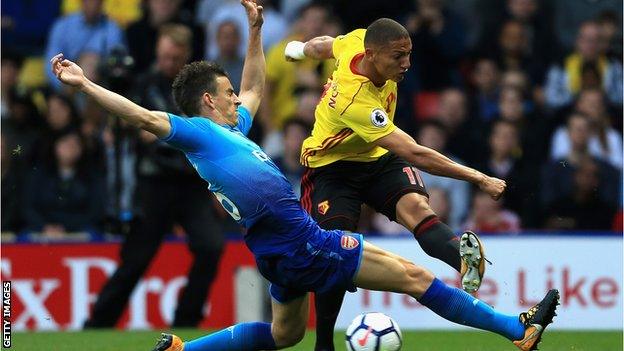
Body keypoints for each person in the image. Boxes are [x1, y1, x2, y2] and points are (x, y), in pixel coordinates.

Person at [50, 1, 559, 350]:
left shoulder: (232, 132)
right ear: (208, 101)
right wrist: (84, 83)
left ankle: (184, 348)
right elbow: (138, 115)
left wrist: (254, 33)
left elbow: (254, 89)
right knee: (415, 277)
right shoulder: (196, 133)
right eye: (225, 93)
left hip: (274, 249)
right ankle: (517, 330)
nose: (236, 98)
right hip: (300, 241)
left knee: (283, 336)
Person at [284, 17, 510, 350]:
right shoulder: (353, 98)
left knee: (417, 209)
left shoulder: (357, 40)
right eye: (397, 57)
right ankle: (324, 345)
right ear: (372, 54)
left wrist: (300, 50)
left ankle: (463, 262)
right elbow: (415, 153)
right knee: (336, 251)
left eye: (409, 54)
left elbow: (326, 44)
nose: (406, 63)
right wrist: (479, 177)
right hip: (331, 168)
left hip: (377, 158)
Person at [83, 24, 225, 328]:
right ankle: (97, 325)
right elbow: (125, 130)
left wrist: (160, 137)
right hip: (154, 184)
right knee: (136, 259)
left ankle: (186, 321)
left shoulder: (201, 92)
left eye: (174, 58)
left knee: (211, 246)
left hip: (191, 183)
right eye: (163, 56)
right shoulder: (143, 85)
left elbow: (210, 133)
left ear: (186, 57)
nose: (167, 63)